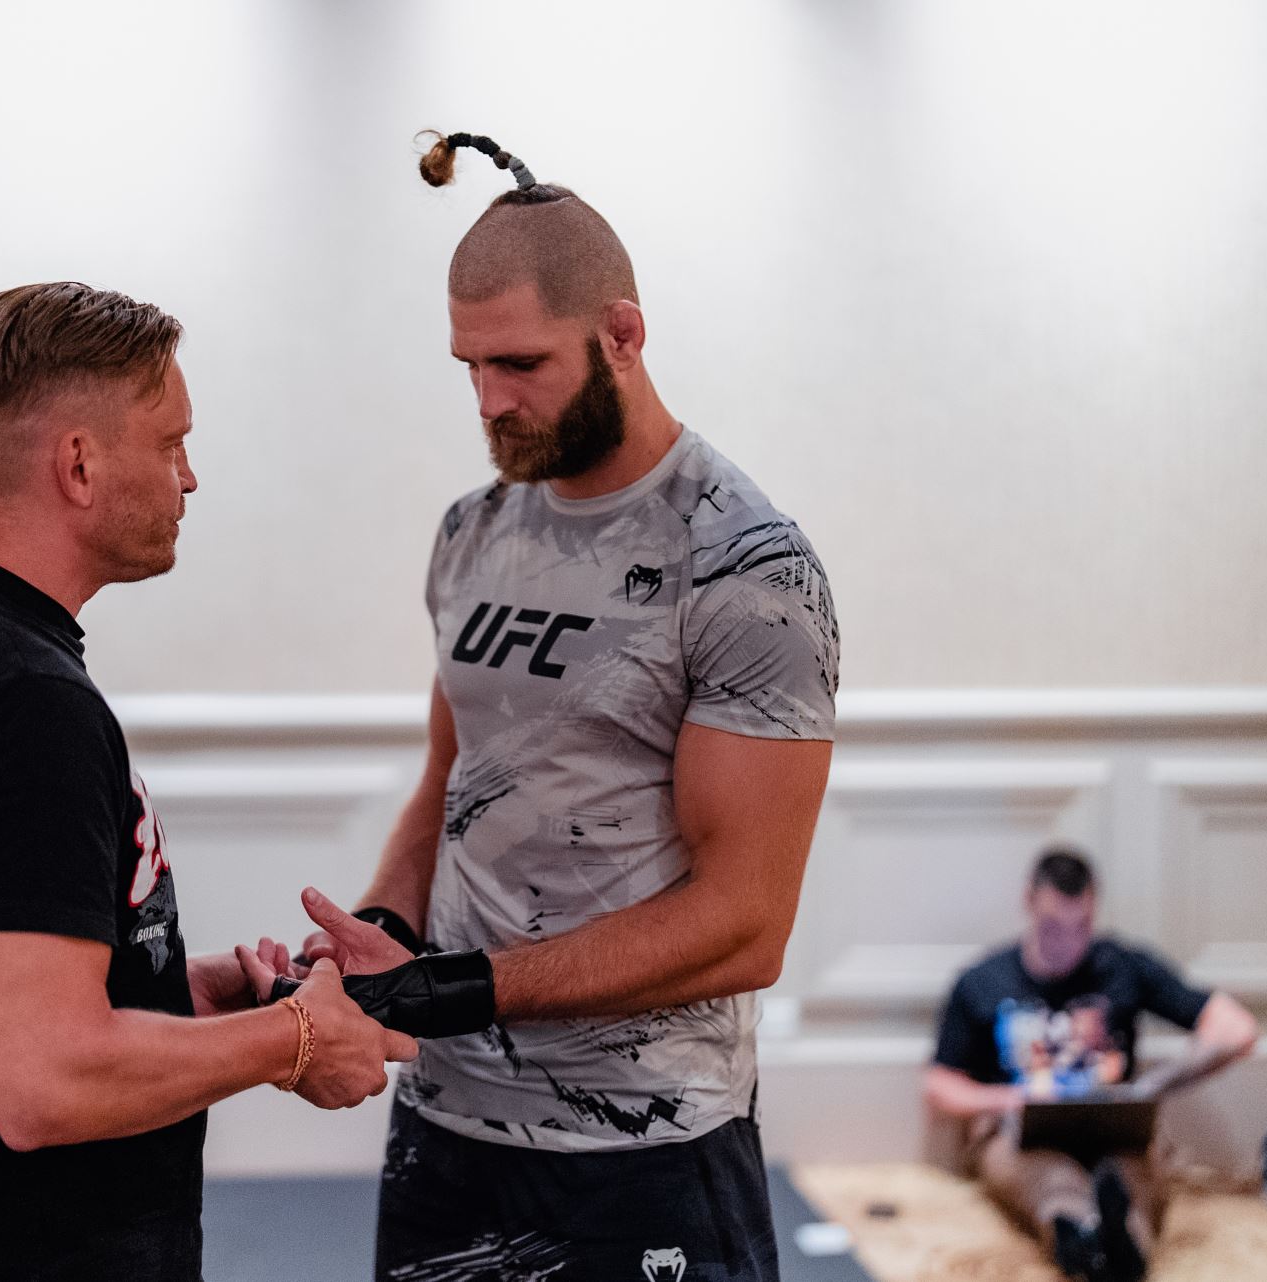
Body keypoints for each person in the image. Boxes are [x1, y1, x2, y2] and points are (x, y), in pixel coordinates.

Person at [264, 131, 841, 1282]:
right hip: (448, 1128)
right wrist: (384, 940)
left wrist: (467, 989)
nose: (491, 398)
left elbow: (747, 920)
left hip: (645, 1145)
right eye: (468, 365)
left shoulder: (745, 566)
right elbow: (452, 778)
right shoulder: (474, 532)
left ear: (621, 334)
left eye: (521, 362)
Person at [0, 282, 416, 1281]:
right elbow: (39, 1081)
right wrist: (295, 1036)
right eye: (172, 441)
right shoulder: (19, 699)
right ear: (81, 463)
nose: (192, 478)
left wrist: (194, 995)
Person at [925, 846, 1259, 1282]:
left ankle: (1125, 1249)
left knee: (1130, 1175)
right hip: (1021, 1131)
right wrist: (1010, 1097)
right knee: (1049, 1180)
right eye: (1053, 928)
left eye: (1080, 927)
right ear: (1029, 902)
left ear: (1094, 909)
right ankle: (1075, 1236)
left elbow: (1238, 1029)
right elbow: (939, 1083)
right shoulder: (983, 981)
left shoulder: (1124, 967)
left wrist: (1164, 1081)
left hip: (1115, 1126)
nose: (1067, 943)